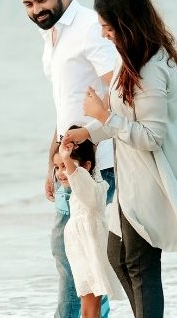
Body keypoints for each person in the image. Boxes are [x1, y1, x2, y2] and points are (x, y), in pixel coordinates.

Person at [62, 0, 177, 318]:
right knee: (117, 254)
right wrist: (88, 132)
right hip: (132, 181)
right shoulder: (131, 60)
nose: (105, 35)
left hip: (153, 181)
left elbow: (151, 137)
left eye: (109, 28)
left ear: (127, 24)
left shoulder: (152, 68)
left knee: (140, 264)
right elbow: (124, 120)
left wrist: (102, 115)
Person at [9, 0, 117, 318]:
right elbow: (66, 107)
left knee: (73, 255)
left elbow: (118, 87)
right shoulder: (52, 34)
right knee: (75, 252)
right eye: (28, 4)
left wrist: (93, 139)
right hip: (66, 164)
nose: (37, 9)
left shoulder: (88, 27)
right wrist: (50, 164)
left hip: (92, 164)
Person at [53, 126, 124, 317]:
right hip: (81, 251)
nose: (61, 173)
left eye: (66, 166)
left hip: (90, 250)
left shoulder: (89, 189)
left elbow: (79, 177)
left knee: (90, 307)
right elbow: (84, 172)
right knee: (87, 304)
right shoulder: (88, 185)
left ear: (86, 166)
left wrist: (67, 159)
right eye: (58, 167)